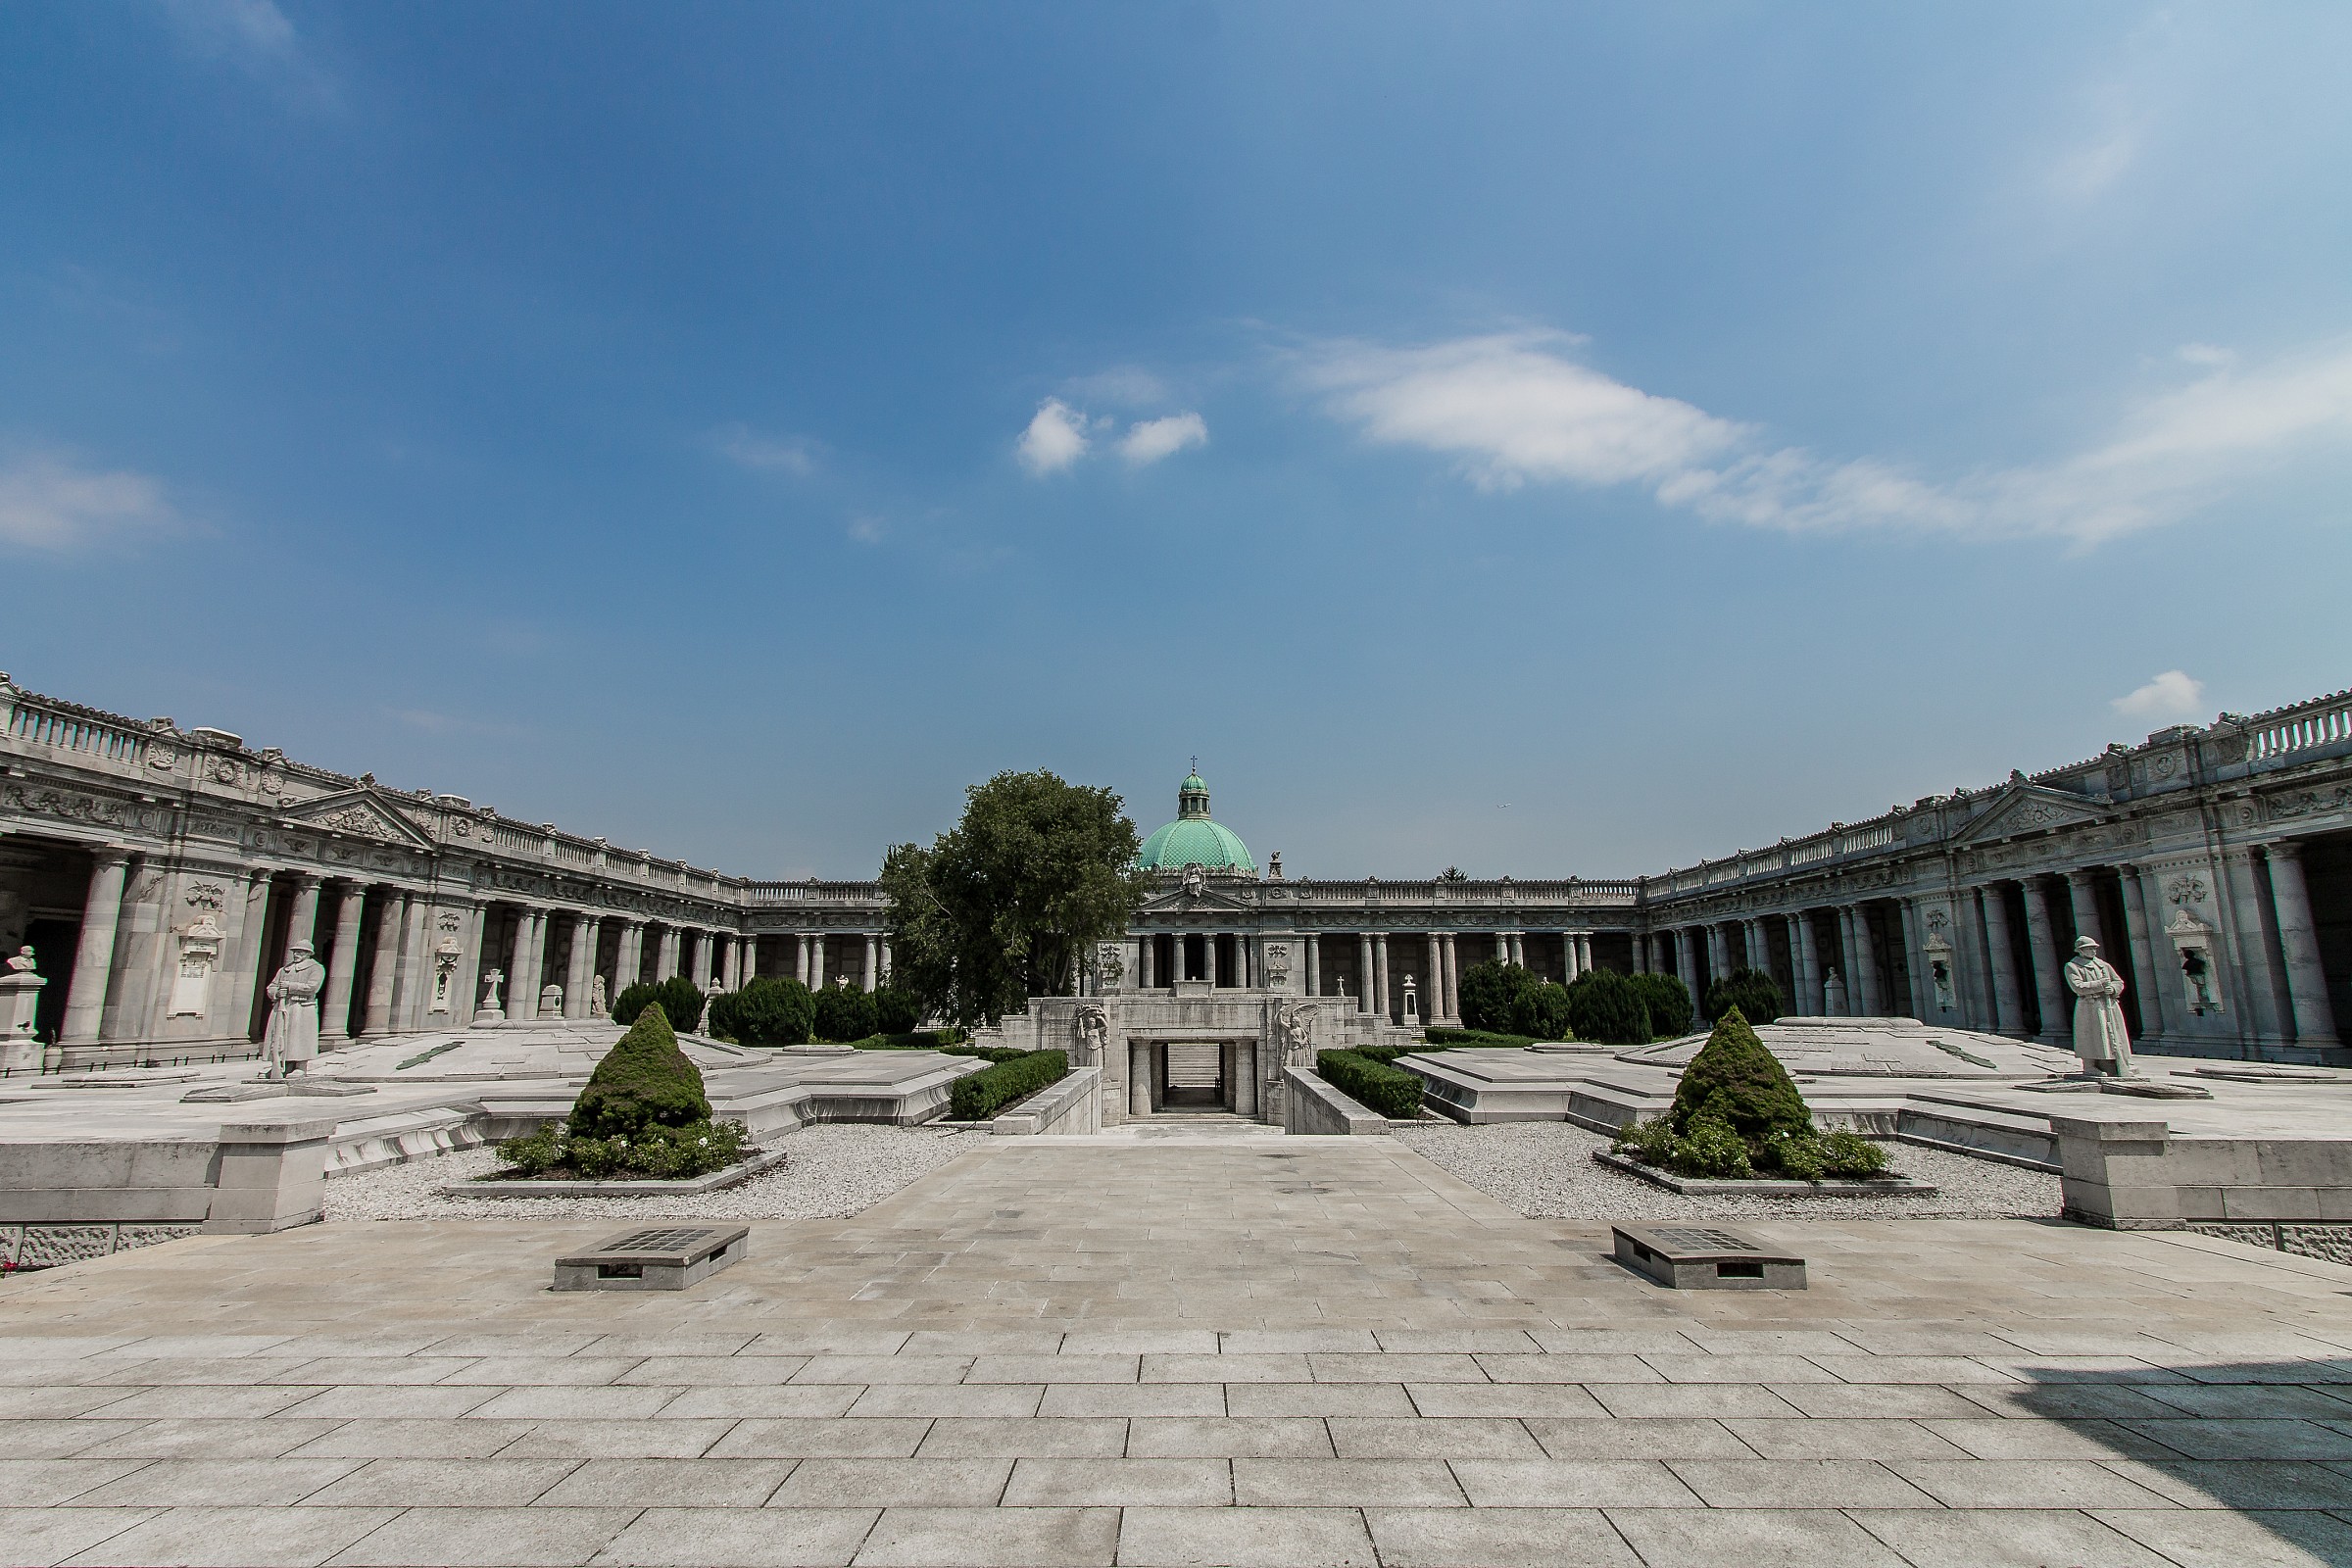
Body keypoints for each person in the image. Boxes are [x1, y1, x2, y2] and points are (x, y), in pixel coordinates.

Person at [2065, 935, 2134, 1076]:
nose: (2093, 951)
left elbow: (2118, 981)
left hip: (2108, 1004)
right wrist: (2101, 985)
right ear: (2080, 950)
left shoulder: (2103, 965)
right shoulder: (2072, 966)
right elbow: (2078, 987)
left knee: (2113, 1034)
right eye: (2089, 949)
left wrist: (2113, 988)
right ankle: (2090, 1065)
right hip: (2089, 1005)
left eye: (2094, 948)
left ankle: (2116, 1063)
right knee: (2091, 1035)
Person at [262, 939, 325, 1078]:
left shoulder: (316, 968)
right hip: (283, 1006)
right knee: (281, 1036)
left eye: (300, 952)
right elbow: (271, 986)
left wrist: (290, 986)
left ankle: (301, 1067)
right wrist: (277, 992)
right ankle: (282, 1065)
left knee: (299, 1037)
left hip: (302, 1007)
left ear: (308, 954)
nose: (296, 954)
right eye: (295, 951)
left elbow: (312, 987)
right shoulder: (284, 970)